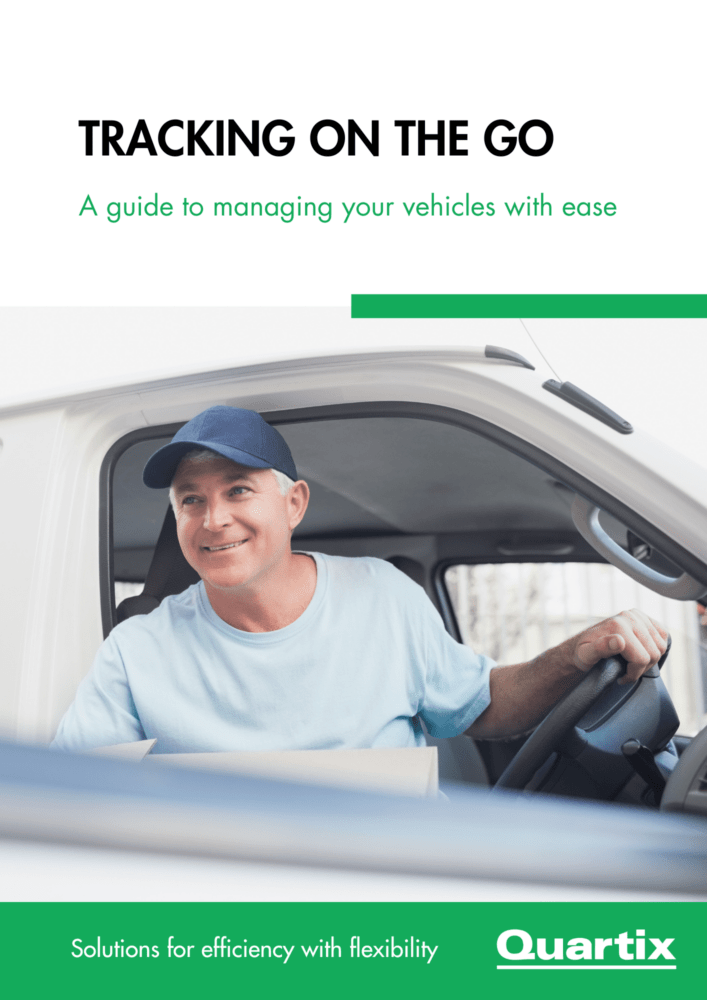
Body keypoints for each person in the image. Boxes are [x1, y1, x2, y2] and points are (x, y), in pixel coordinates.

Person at [51, 406, 669, 754]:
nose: (213, 520)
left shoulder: (383, 596)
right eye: (190, 501)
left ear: (294, 504)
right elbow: (71, 794)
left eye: (238, 490)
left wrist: (577, 654)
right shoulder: (136, 652)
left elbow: (480, 705)